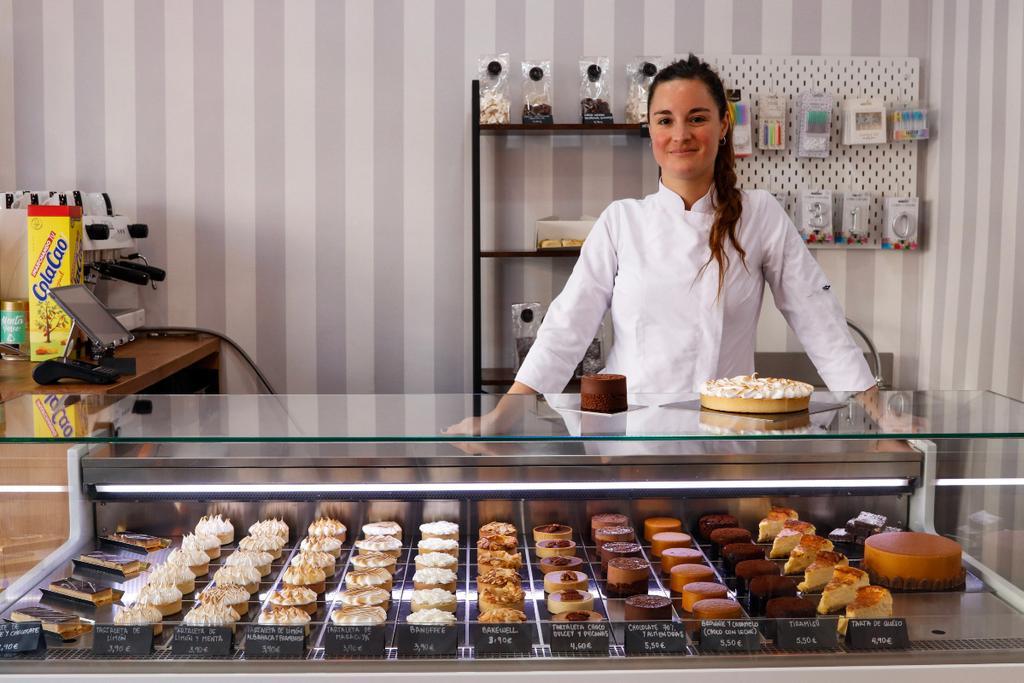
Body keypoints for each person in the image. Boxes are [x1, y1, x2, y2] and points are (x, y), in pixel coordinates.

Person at [447, 55, 875, 436]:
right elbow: (566, 328)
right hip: (629, 437)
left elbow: (817, 317)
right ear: (649, 128)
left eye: (697, 118)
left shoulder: (759, 214)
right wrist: (502, 418)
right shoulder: (622, 220)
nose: (680, 134)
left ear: (724, 124)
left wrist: (878, 412)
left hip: (726, 438)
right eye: (665, 119)